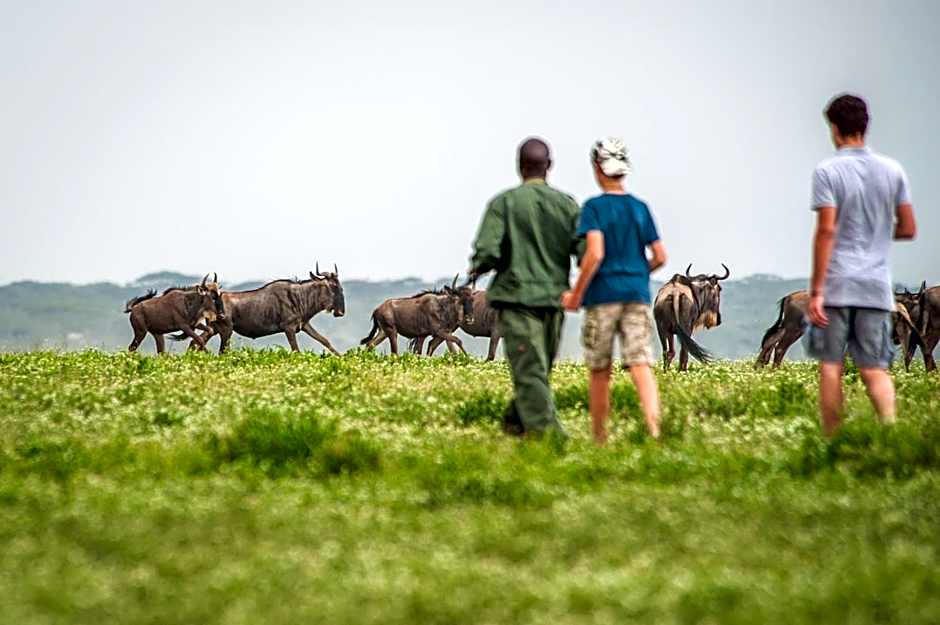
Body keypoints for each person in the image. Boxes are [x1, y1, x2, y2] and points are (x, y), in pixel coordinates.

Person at [806, 94, 917, 436]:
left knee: (831, 366)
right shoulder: (893, 170)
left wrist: (816, 291)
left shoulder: (828, 171)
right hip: (875, 286)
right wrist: (879, 231)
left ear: (836, 130)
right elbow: (909, 228)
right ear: (865, 127)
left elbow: (826, 230)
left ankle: (832, 440)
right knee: (874, 368)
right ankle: (890, 433)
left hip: (838, 284)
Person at [469, 137, 582, 438]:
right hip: (553, 300)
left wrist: (477, 267)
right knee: (538, 368)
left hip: (517, 300)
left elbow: (487, 252)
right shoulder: (567, 205)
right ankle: (524, 429)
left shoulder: (503, 203)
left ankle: (548, 438)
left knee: (532, 371)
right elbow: (585, 251)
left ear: (519, 166)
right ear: (549, 166)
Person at [562, 138, 667, 445]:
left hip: (602, 296)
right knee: (640, 362)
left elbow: (594, 253)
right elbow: (660, 255)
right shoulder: (640, 208)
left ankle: (600, 437)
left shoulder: (593, 208)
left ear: (598, 167)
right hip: (636, 295)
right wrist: (636, 275)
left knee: (600, 368)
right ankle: (654, 430)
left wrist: (577, 294)